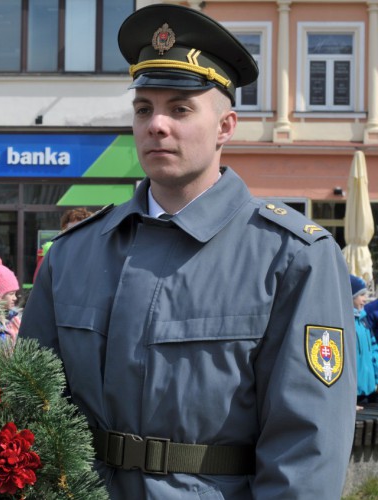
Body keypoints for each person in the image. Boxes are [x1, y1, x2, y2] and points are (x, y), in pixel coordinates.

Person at [19, 4, 355, 498]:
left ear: (225, 127)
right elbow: (31, 407)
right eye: (143, 108)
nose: (157, 124)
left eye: (180, 108)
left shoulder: (292, 257)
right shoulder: (74, 255)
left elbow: (307, 447)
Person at [33, 207, 93, 282]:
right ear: (64, 231)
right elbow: (41, 287)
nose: (76, 234)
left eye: (81, 229)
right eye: (71, 230)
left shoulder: (97, 254)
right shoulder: (52, 255)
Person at [352, 275, 378, 409]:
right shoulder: (346, 323)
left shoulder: (364, 321)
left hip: (370, 389)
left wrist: (376, 378)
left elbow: (374, 349)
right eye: (361, 295)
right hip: (354, 394)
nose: (365, 299)